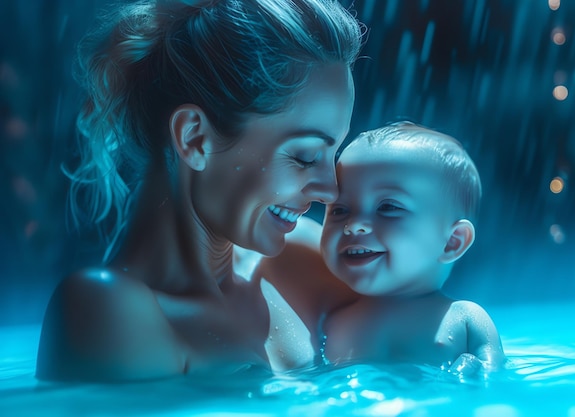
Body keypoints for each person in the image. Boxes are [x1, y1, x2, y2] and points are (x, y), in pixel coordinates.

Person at [36, 0, 363, 382]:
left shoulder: (297, 263)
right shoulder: (103, 309)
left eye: (333, 154)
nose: (330, 190)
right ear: (194, 138)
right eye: (306, 156)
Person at [257, 122, 505, 374]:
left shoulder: (465, 319)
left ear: (453, 241)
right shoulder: (331, 323)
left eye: (388, 207)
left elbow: (492, 382)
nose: (354, 226)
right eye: (340, 210)